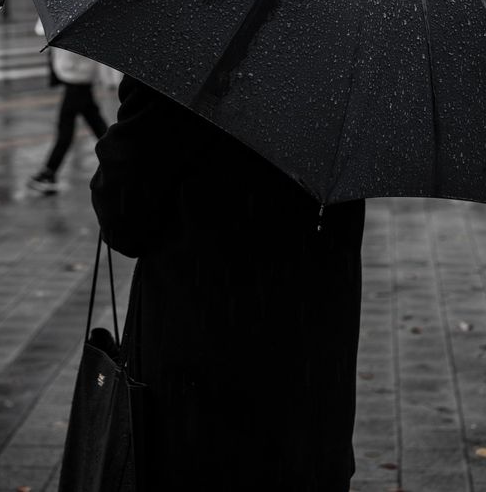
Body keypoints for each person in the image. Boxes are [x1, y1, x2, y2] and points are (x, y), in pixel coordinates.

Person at [90, 77, 366, 492]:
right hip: (309, 376)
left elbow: (124, 219)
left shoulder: (185, 66)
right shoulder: (346, 72)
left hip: (201, 379)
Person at [28, 41, 109, 193]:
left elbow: (75, 58)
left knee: (66, 131)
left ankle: (49, 173)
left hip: (77, 82)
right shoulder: (77, 28)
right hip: (78, 81)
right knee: (98, 127)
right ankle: (120, 158)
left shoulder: (79, 29)